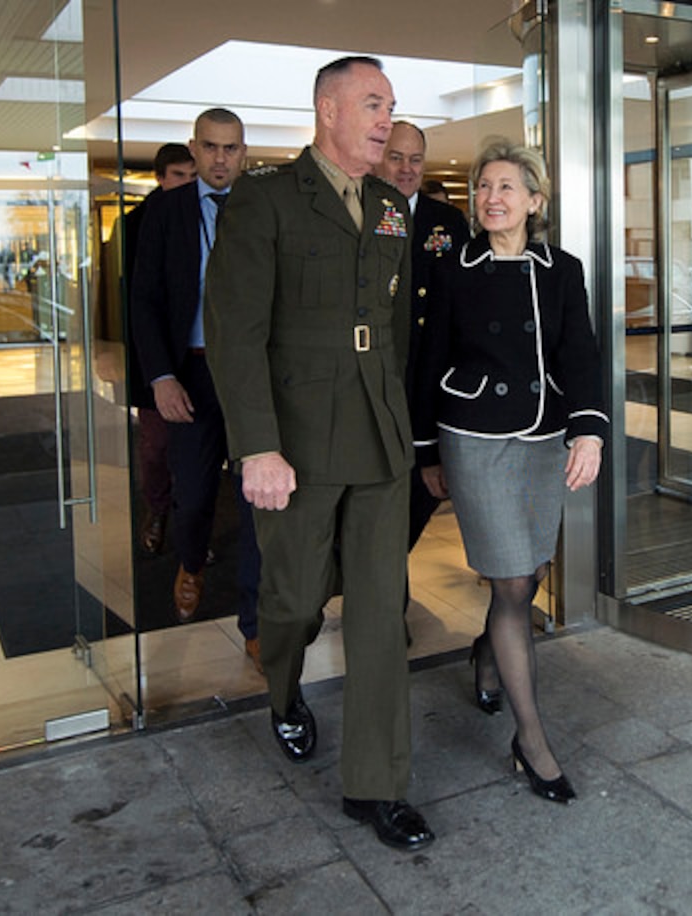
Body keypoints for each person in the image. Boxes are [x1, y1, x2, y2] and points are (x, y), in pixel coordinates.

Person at [204, 56, 434, 851]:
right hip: (296, 443)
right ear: (327, 110)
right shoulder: (266, 200)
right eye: (373, 104)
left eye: (392, 106)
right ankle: (282, 689)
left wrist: (411, 428)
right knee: (295, 602)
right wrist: (257, 446)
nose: (387, 119)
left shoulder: (391, 208)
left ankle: (377, 786)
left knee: (379, 615)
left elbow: (398, 330)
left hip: (379, 435)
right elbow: (236, 333)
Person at [413, 139, 608, 805]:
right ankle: (532, 741)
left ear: (535, 201)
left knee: (530, 575)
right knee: (513, 579)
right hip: (475, 438)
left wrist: (589, 429)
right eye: (482, 188)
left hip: (544, 437)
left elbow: (579, 352)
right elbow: (426, 359)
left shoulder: (561, 269)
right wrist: (426, 451)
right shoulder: (453, 268)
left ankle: (485, 652)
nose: (490, 198)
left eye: (505, 187)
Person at [130, 110, 262, 670]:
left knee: (258, 496)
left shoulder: (262, 207)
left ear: (243, 152)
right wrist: (160, 377)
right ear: (194, 147)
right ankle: (190, 563)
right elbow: (144, 300)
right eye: (209, 147)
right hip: (191, 372)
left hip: (252, 373)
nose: (219, 159)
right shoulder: (164, 211)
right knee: (195, 493)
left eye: (230, 149)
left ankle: (255, 622)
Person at [376, 120, 471, 557]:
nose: (407, 168)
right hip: (377, 377)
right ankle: (382, 591)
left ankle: (385, 579)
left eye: (415, 159)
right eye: (396, 157)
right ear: (379, 155)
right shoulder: (360, 210)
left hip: (433, 378)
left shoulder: (448, 222)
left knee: (425, 491)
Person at [125, 143, 197, 556]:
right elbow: (132, 299)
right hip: (153, 358)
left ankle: (192, 529)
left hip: (198, 358)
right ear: (160, 178)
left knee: (193, 453)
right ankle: (156, 510)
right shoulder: (136, 225)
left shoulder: (211, 217)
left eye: (192, 176)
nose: (186, 184)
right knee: (155, 446)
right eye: (178, 176)